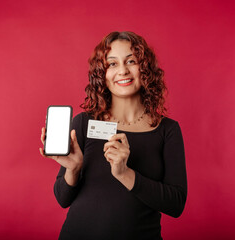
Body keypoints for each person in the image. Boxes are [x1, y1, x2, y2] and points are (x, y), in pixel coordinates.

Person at [39, 31, 187, 240]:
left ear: (145, 69)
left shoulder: (167, 130)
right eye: (112, 64)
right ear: (102, 73)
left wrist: (124, 174)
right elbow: (63, 199)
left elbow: (176, 204)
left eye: (131, 61)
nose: (123, 71)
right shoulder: (83, 123)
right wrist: (72, 169)